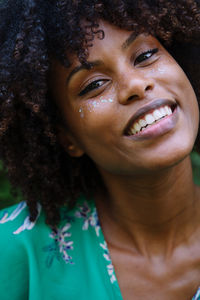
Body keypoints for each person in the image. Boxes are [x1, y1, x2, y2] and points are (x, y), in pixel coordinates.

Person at [1, 0, 200, 299]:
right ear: (67, 137)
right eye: (94, 85)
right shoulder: (15, 253)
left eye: (145, 54)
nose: (135, 84)